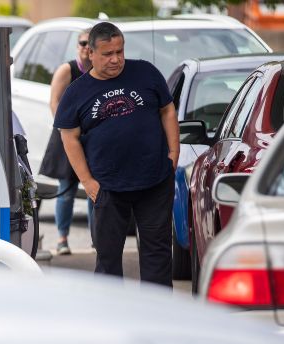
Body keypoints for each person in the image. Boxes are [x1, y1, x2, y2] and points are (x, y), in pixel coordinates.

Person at [54, 22, 179, 287]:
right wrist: (87, 181)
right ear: (91, 54)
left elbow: (167, 110)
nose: (116, 59)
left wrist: (173, 153)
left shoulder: (145, 72)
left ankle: (159, 315)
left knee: (157, 253)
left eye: (119, 52)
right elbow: (69, 136)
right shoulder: (77, 91)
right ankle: (111, 317)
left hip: (155, 180)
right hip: (108, 187)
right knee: (108, 257)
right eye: (108, 54)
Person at [39, 28, 93, 255]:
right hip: (68, 136)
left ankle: (97, 238)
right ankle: (62, 239)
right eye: (82, 43)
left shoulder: (99, 70)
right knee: (67, 189)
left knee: (95, 190)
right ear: (77, 45)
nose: (85, 48)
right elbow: (54, 103)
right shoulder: (67, 70)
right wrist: (69, 132)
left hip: (92, 137)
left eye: (90, 44)